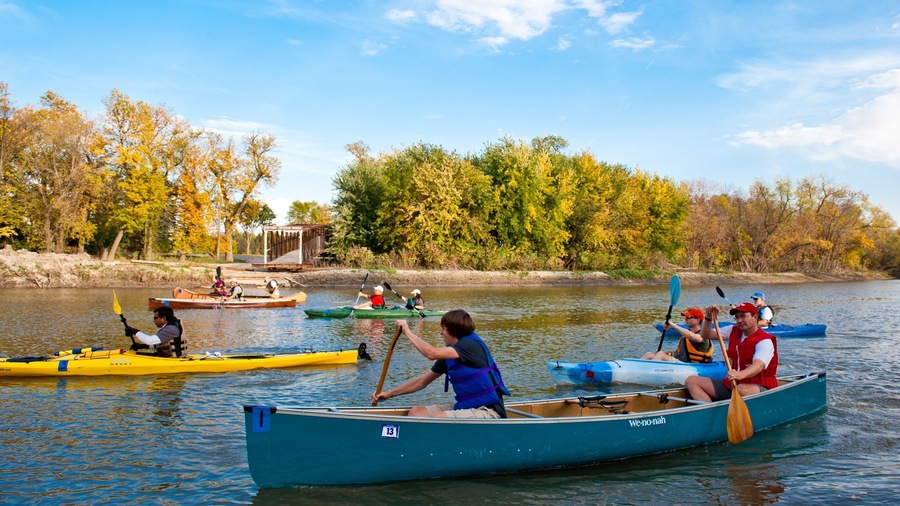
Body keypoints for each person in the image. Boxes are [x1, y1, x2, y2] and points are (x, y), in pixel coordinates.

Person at [371, 309, 510, 418]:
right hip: (465, 407)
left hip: (489, 411)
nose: (440, 333)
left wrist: (407, 331)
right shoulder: (449, 356)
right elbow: (421, 382)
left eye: (443, 329)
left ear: (453, 331)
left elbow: (430, 353)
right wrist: (389, 393)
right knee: (416, 413)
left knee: (438, 417)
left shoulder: (471, 346)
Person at [685, 302, 778, 402]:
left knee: (741, 389)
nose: (739, 320)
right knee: (691, 381)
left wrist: (739, 375)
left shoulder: (765, 341)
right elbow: (706, 334)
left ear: (755, 317)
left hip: (760, 387)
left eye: (743, 316)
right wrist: (708, 317)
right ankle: (708, 411)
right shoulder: (732, 330)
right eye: (737, 317)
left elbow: (758, 365)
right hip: (733, 384)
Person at [641, 307, 713, 363]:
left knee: (660, 355)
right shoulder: (686, 334)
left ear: (697, 320)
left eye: (689, 317)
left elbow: (693, 336)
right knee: (649, 354)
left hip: (692, 366)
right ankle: (635, 370)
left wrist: (673, 325)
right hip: (681, 362)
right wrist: (665, 352)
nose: (686, 319)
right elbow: (678, 353)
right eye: (685, 317)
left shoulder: (703, 335)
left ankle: (649, 374)